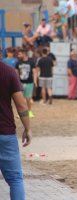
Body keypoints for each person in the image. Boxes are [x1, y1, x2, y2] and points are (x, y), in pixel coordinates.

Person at [0, 60, 32, 200]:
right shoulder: (9, 71)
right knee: (15, 179)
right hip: (5, 132)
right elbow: (21, 105)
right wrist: (27, 128)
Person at [15, 49, 37, 118]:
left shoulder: (31, 62)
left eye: (19, 54)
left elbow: (34, 72)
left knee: (28, 99)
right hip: (20, 83)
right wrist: (16, 82)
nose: (18, 55)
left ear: (24, 54)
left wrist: (35, 81)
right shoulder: (18, 62)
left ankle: (29, 111)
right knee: (20, 99)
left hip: (29, 83)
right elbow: (16, 73)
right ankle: (21, 113)